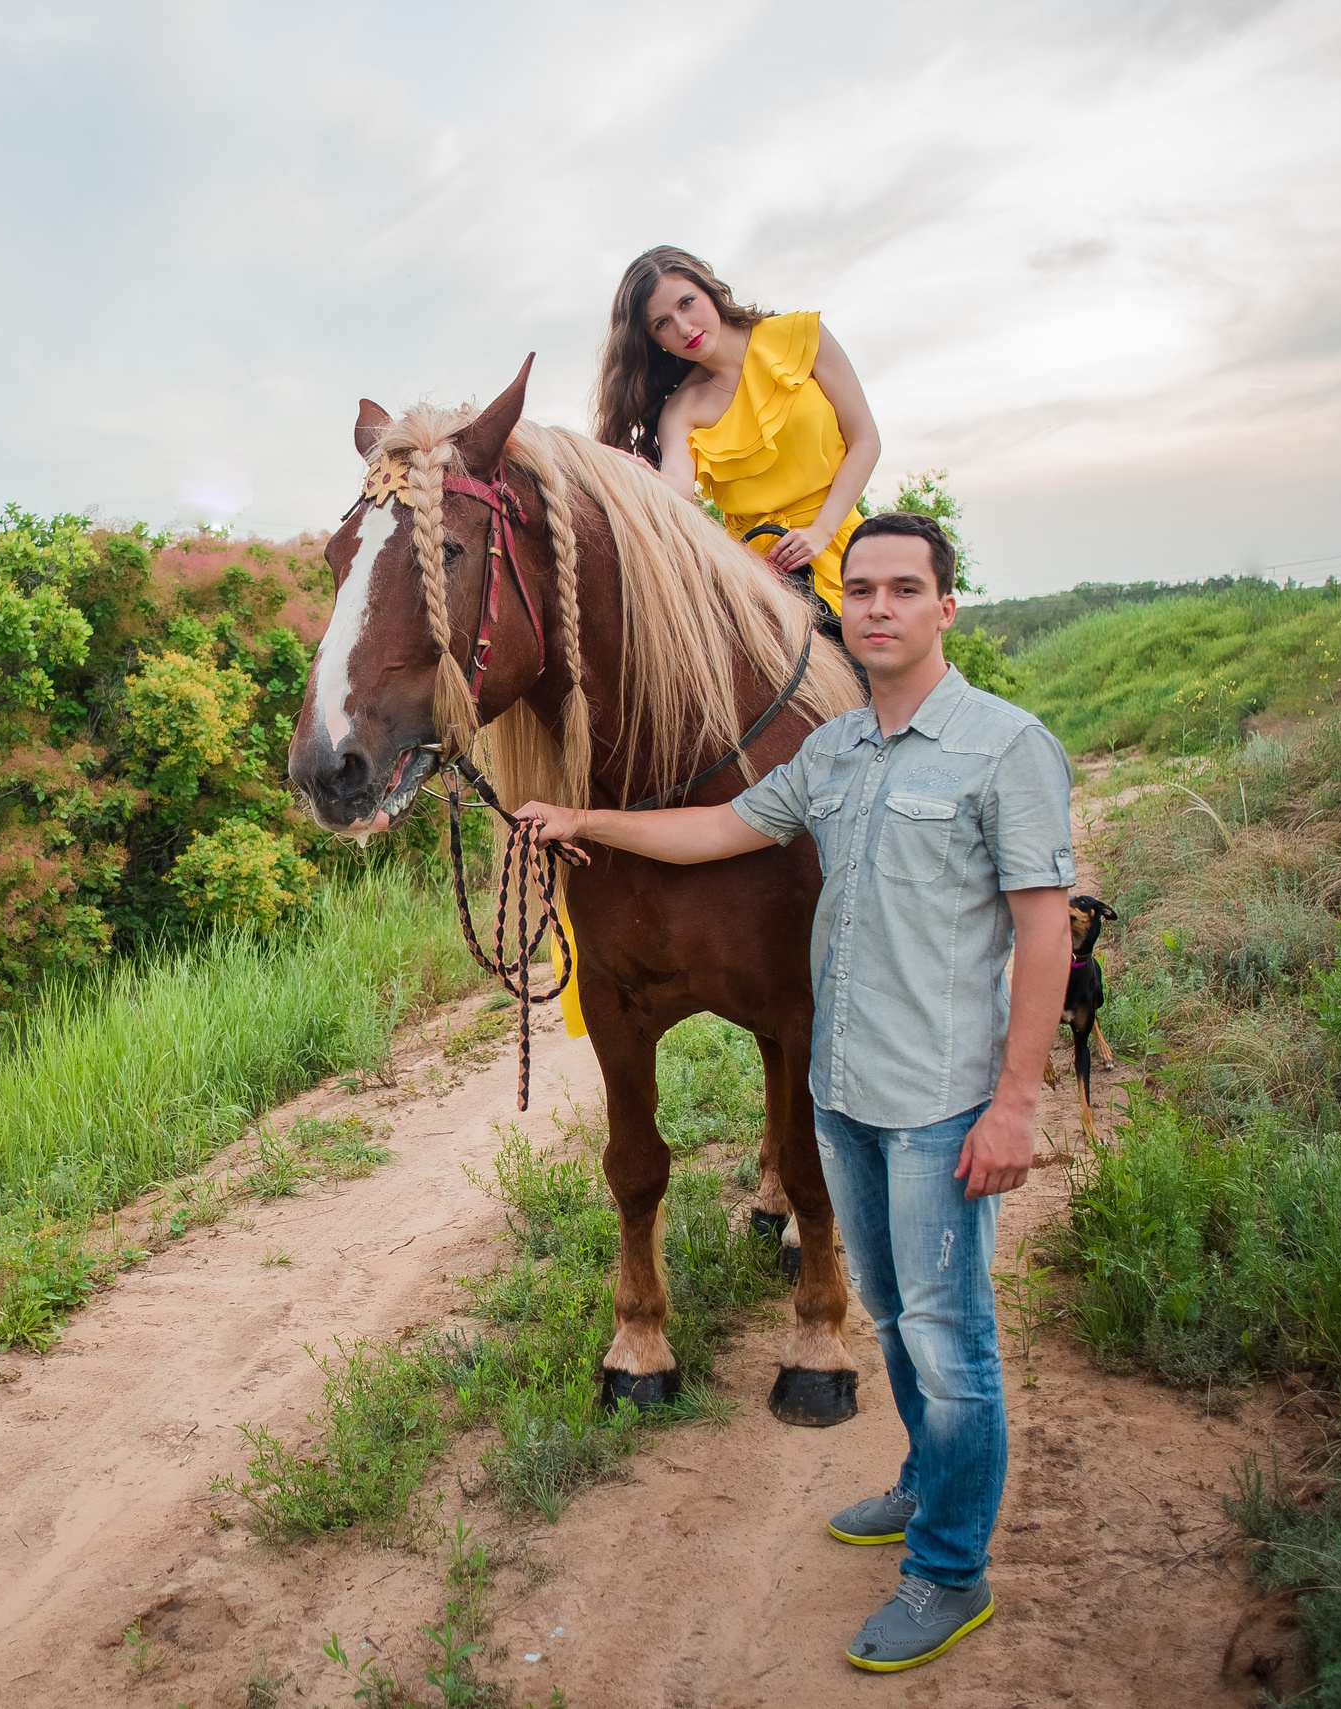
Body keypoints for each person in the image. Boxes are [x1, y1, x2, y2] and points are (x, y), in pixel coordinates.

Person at [511, 511, 1076, 1674]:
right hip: (844, 1090)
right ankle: (922, 1485)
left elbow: (1042, 929)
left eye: (902, 589)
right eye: (859, 588)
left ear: (943, 608)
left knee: (951, 1334)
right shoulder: (831, 749)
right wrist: (582, 818)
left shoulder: (1005, 746)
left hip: (941, 1096)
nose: (876, 607)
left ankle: (949, 1569)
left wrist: (1016, 1100)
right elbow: (721, 824)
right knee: (894, 1312)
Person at [591, 245, 882, 616]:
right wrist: (641, 476)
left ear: (709, 289)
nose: (684, 328)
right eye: (661, 323)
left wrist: (822, 532)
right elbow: (679, 488)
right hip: (759, 581)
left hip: (847, 545)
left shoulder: (801, 336)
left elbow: (866, 441)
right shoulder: (681, 410)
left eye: (686, 303)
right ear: (653, 340)